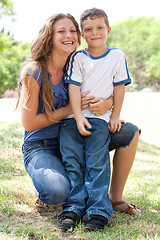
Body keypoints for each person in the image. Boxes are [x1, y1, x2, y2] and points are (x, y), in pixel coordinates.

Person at [16, 11, 141, 228]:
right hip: (43, 145)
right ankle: (47, 179)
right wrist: (68, 110)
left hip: (79, 133)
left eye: (73, 31)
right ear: (50, 36)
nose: (69, 35)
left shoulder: (78, 62)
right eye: (61, 31)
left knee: (130, 132)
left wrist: (109, 103)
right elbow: (29, 124)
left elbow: (108, 88)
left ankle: (115, 197)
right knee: (56, 192)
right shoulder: (34, 71)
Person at [58, 7, 135, 231]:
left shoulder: (117, 56)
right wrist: (79, 116)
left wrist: (116, 115)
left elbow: (119, 88)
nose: (95, 33)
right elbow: (73, 87)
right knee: (73, 162)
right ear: (82, 34)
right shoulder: (77, 57)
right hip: (72, 120)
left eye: (100, 27)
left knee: (97, 163)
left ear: (108, 30)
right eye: (88, 29)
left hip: (101, 122)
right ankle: (73, 208)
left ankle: (99, 211)